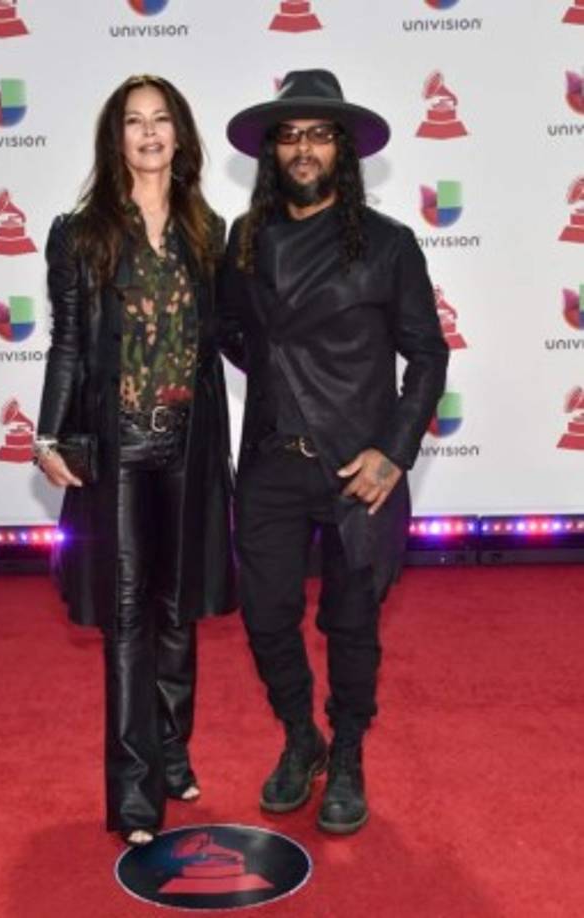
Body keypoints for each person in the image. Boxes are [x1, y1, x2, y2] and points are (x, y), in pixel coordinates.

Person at [220, 70, 448, 835]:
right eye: (290, 135)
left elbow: (427, 356)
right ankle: (300, 740)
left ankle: (347, 752)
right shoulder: (243, 238)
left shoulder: (387, 244)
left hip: (360, 469)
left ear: (342, 150)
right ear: (272, 151)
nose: (304, 147)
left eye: (319, 134)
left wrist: (391, 450)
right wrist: (289, 383)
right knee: (266, 614)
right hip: (271, 462)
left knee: (352, 624)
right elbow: (232, 333)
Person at [34, 74, 236, 847]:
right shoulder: (79, 233)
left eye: (161, 121)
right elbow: (68, 346)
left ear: (179, 136)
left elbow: (226, 341)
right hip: (117, 447)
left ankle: (172, 753)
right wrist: (48, 436)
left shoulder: (207, 231)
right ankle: (133, 793)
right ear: (114, 138)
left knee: (177, 612)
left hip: (189, 444)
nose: (148, 133)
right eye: (133, 122)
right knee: (126, 620)